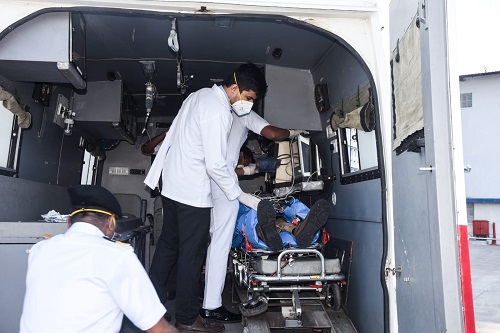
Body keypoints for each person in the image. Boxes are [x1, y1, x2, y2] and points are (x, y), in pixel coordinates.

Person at [144, 63, 270, 333]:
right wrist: (241, 196)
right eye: (248, 98)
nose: (247, 105)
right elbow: (215, 166)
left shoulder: (197, 95)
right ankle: (188, 318)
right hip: (192, 193)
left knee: (168, 246)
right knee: (192, 253)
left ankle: (149, 305)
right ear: (235, 87)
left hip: (172, 187)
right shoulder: (219, 112)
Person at [201, 96, 305, 322]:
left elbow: (225, 167)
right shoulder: (244, 113)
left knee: (272, 213)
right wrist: (295, 132)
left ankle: (288, 229)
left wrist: (252, 169)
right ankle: (269, 229)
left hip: (214, 185)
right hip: (227, 192)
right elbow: (273, 134)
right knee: (236, 228)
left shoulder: (215, 112)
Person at [19, 185, 177, 333]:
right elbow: (159, 329)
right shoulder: (117, 256)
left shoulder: (39, 250)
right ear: (110, 223)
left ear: (69, 222)